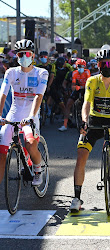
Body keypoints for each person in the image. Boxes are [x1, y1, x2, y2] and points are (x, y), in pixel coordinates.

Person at [69, 48, 110, 212]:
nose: (107, 66)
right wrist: (84, 121)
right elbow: (86, 104)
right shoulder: (92, 81)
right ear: (98, 65)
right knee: (81, 154)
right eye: (104, 64)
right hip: (94, 121)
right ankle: (76, 198)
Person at [0, 39, 48, 186]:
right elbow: (2, 95)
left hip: (30, 115)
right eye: (20, 54)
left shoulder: (42, 73)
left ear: (33, 56)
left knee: (30, 143)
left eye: (27, 54)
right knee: (1, 152)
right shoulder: (11, 72)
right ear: (16, 56)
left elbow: (38, 96)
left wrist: (31, 117)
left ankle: (38, 169)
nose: (24, 57)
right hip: (13, 115)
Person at [59, 59, 91, 131]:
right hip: (78, 88)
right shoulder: (74, 73)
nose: (81, 68)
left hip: (86, 89)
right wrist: (73, 88)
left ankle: (89, 122)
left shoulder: (87, 72)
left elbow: (88, 84)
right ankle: (65, 125)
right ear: (76, 66)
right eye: (79, 66)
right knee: (68, 104)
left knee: (89, 103)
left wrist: (79, 87)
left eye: (83, 66)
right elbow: (73, 85)